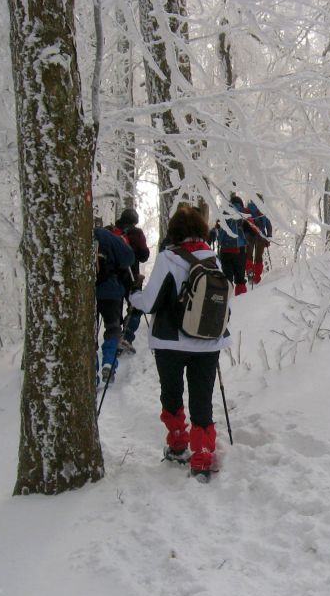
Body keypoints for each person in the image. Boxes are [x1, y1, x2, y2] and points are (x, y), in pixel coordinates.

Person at [129, 206, 232, 481]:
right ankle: (202, 458)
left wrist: (133, 296)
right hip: (208, 343)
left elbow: (150, 302)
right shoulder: (213, 259)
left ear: (174, 232)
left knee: (172, 394)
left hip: (170, 342)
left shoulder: (168, 258)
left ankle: (177, 445)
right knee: (202, 400)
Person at [95, 225, 135, 384]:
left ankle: (91, 375)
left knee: (88, 333)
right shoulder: (106, 236)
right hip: (110, 291)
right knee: (112, 328)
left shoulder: (78, 234)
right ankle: (109, 362)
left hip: (86, 292)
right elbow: (128, 258)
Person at [113, 208, 150, 355]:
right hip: (132, 277)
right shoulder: (136, 233)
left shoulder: (113, 231)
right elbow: (144, 256)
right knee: (136, 308)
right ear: (135, 221)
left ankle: (114, 337)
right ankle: (126, 336)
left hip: (113, 277)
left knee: (115, 309)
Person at [216, 193, 248, 295]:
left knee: (227, 278)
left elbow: (219, 231)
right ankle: (242, 299)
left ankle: (227, 300)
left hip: (225, 250)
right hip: (240, 250)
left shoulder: (224, 213)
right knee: (240, 279)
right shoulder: (244, 214)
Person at [243, 195, 272, 285]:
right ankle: (257, 278)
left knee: (248, 255)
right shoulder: (262, 210)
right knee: (258, 257)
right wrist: (268, 236)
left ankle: (250, 274)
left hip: (249, 236)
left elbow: (242, 222)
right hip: (261, 236)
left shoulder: (247, 209)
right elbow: (268, 224)